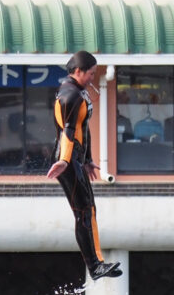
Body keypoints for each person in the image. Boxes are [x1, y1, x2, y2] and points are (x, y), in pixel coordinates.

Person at [46, 51, 122, 280]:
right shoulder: (70, 95)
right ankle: (95, 266)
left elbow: (83, 127)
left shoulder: (79, 92)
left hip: (75, 158)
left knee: (88, 209)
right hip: (67, 159)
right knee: (83, 211)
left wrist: (87, 159)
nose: (92, 77)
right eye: (90, 73)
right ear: (78, 71)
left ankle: (97, 263)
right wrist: (65, 160)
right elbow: (68, 131)